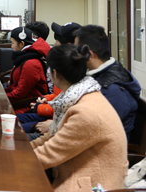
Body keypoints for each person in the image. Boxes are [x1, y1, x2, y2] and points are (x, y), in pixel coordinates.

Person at [32, 44, 127, 192]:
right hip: (78, 174)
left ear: (55, 73)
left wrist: (15, 158)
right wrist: (23, 149)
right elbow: (52, 136)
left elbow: (49, 153)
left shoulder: (85, 112)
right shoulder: (78, 96)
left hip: (94, 185)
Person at [75, 24, 141, 138]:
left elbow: (93, 129)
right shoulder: (104, 73)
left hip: (103, 145)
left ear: (89, 55)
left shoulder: (112, 89)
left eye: (76, 51)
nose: (73, 56)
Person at [5, 26, 50, 113]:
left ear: (22, 44)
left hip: (27, 106)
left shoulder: (31, 63)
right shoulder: (25, 58)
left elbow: (20, 93)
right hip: (19, 101)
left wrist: (2, 98)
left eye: (13, 43)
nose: (11, 46)